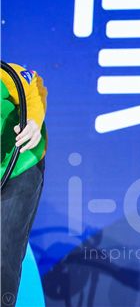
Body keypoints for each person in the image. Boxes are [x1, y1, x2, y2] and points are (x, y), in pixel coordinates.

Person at [1, 63, 48, 307]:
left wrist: (32, 121)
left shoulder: (3, 74)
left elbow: (33, 86)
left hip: (19, 165)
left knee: (3, 248)